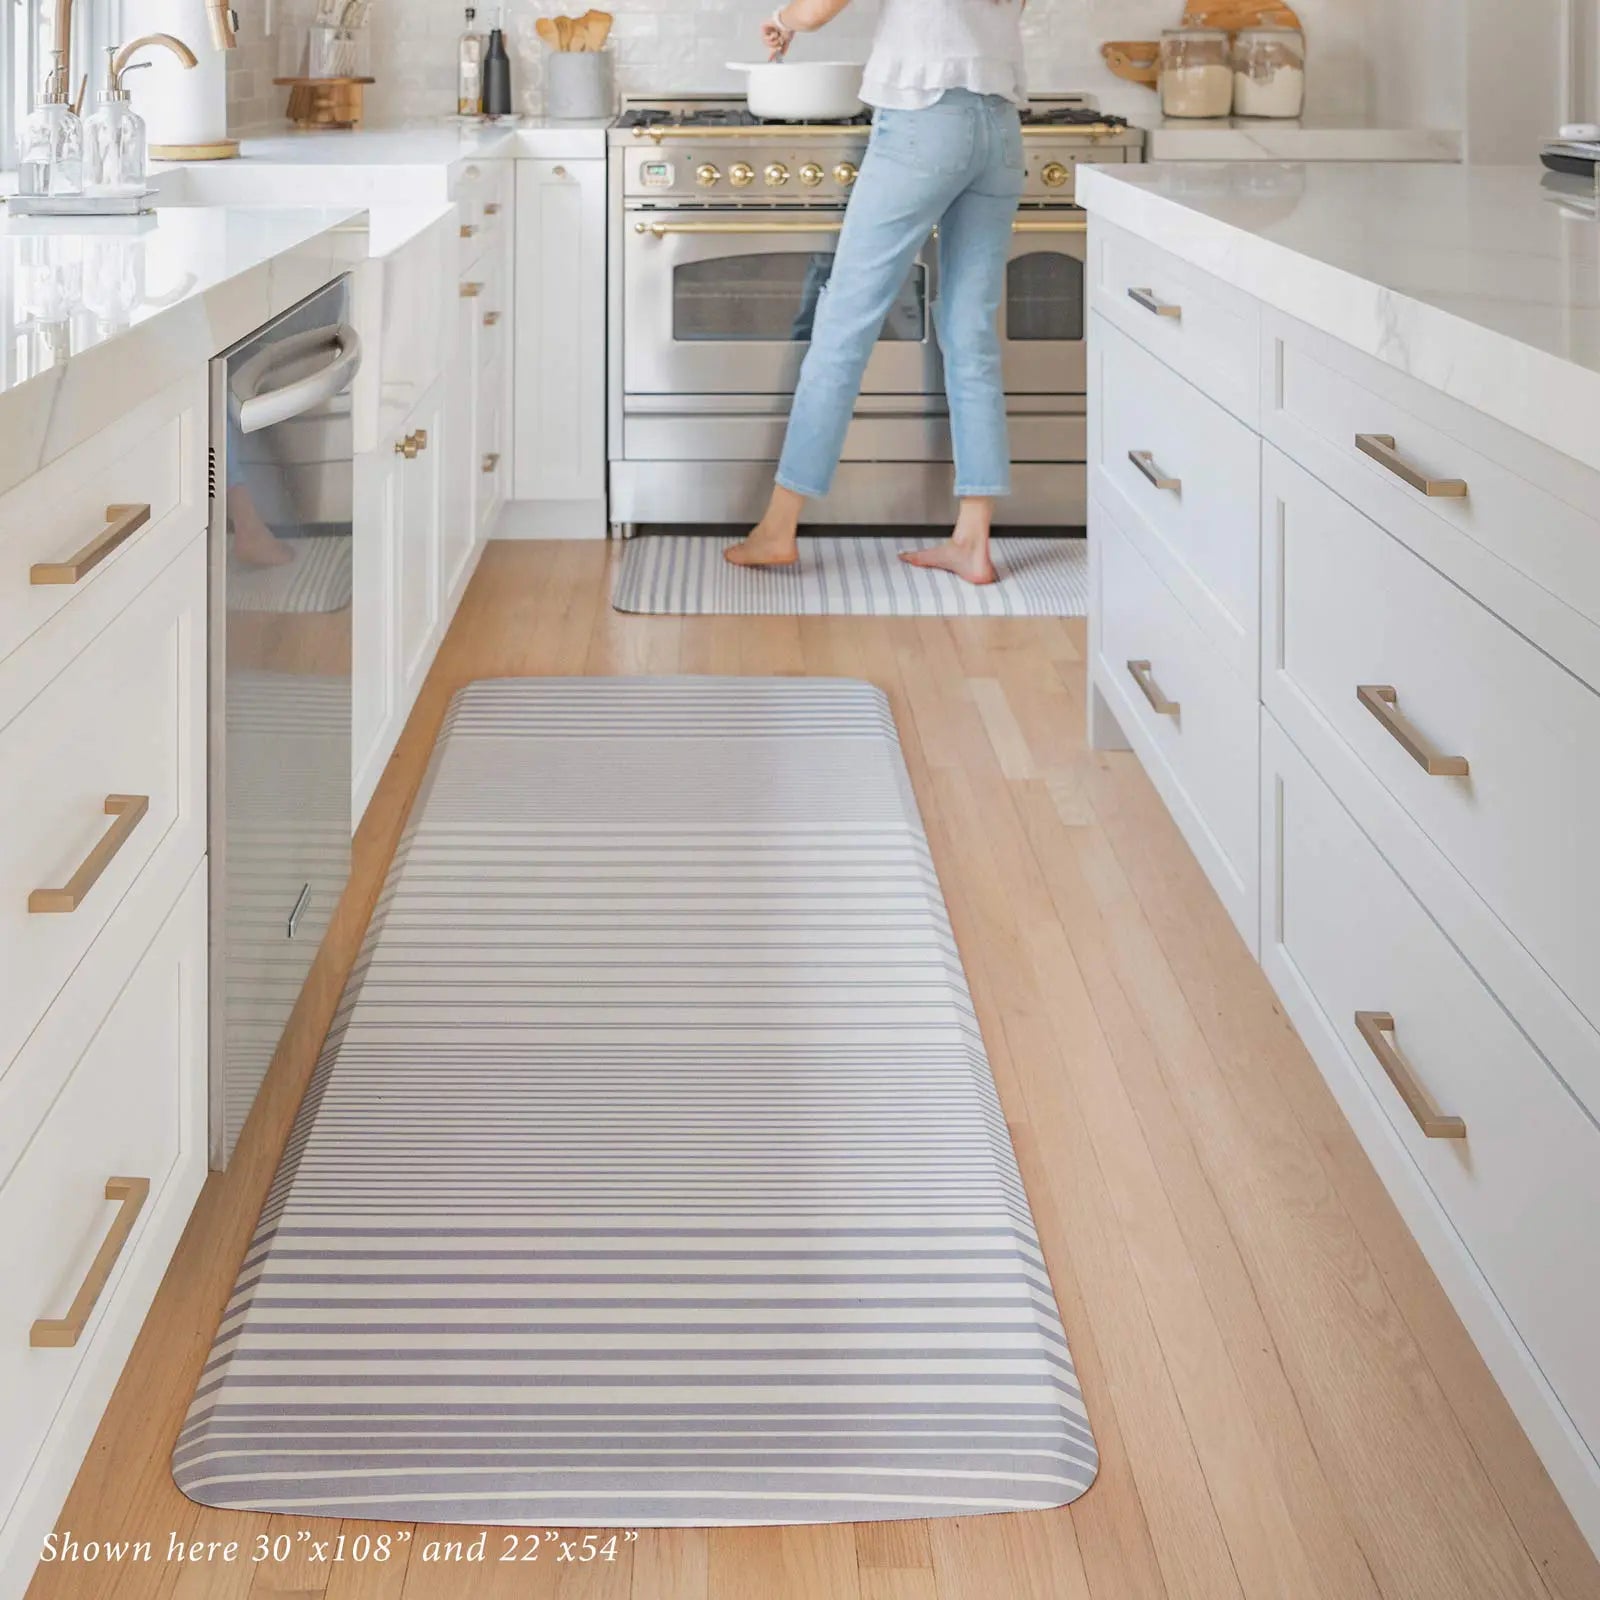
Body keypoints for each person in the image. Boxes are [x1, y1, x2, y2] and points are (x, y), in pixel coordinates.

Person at [725, 0, 1027, 586]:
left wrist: (782, 20)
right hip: (1000, 129)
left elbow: (815, 12)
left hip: (925, 121)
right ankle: (972, 539)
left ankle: (778, 529)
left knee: (845, 321)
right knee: (970, 330)